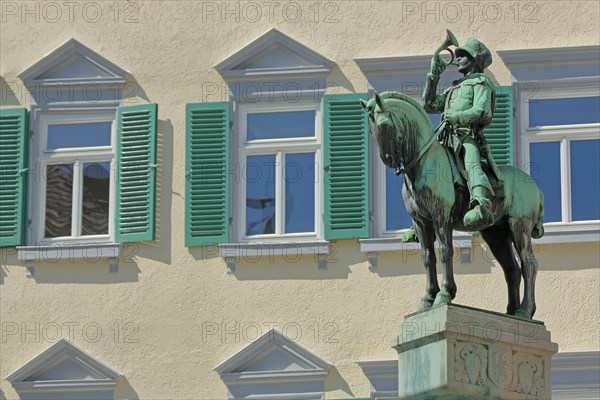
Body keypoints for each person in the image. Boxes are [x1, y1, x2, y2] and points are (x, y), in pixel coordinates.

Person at [402, 37, 499, 242]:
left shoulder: (481, 82)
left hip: (466, 136)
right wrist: (433, 77)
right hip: (446, 138)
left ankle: (482, 205)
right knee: (426, 171)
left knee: (472, 164)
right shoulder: (454, 87)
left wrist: (458, 117)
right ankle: (418, 218)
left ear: (474, 61)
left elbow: (482, 111)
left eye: (463, 55)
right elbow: (430, 105)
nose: (459, 58)